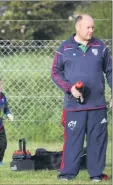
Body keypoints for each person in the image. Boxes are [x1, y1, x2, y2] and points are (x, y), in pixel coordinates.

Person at [51, 14, 112, 182]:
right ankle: (67, 174)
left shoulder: (101, 46)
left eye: (93, 27)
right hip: (74, 106)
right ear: (78, 27)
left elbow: (110, 71)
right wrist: (69, 88)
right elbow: (55, 72)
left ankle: (96, 174)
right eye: (88, 27)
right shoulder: (64, 48)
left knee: (97, 141)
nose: (91, 30)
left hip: (97, 105)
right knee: (73, 142)